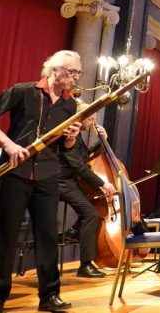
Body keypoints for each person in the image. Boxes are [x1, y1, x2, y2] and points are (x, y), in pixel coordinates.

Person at [0, 50, 84, 313]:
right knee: (7, 234)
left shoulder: (70, 106)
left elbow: (66, 150)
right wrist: (8, 144)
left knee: (47, 236)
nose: (75, 78)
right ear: (54, 70)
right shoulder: (23, 91)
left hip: (47, 176)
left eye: (78, 73)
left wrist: (70, 137)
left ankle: (49, 295)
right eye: (71, 72)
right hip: (15, 173)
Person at [58, 112, 117, 278]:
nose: (93, 121)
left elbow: (84, 156)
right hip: (62, 182)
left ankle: (74, 230)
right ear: (79, 118)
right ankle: (85, 265)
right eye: (90, 118)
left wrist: (101, 141)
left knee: (92, 205)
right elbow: (79, 166)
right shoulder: (71, 136)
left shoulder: (79, 137)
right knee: (91, 213)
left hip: (71, 181)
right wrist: (103, 184)